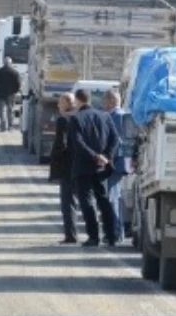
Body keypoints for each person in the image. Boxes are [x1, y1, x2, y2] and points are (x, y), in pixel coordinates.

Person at [69, 88, 119, 247]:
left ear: (77, 100)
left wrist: (94, 156)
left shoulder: (76, 118)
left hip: (84, 167)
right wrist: (106, 156)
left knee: (87, 202)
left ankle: (94, 236)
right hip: (102, 168)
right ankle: (111, 235)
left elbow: (78, 143)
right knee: (104, 200)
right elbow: (115, 139)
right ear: (90, 99)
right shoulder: (105, 116)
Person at [101, 89, 132, 244]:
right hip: (118, 163)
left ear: (111, 101)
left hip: (115, 163)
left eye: (104, 101)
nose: (102, 104)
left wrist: (109, 159)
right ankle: (116, 231)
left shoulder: (116, 117)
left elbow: (118, 142)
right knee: (115, 196)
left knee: (112, 197)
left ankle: (114, 231)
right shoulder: (121, 115)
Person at [49, 93, 79, 244]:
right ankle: (96, 235)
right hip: (83, 165)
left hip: (67, 166)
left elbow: (61, 143)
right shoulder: (82, 116)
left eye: (60, 103)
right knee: (88, 201)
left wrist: (55, 159)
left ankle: (71, 235)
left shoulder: (64, 119)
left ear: (68, 103)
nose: (58, 106)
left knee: (67, 203)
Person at [0, 57, 22, 133]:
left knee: (2, 111)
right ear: (11, 63)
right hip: (11, 94)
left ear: (3, 63)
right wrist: (15, 91)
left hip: (0, 94)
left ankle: (3, 127)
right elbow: (18, 84)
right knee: (10, 111)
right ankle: (10, 127)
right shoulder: (15, 73)